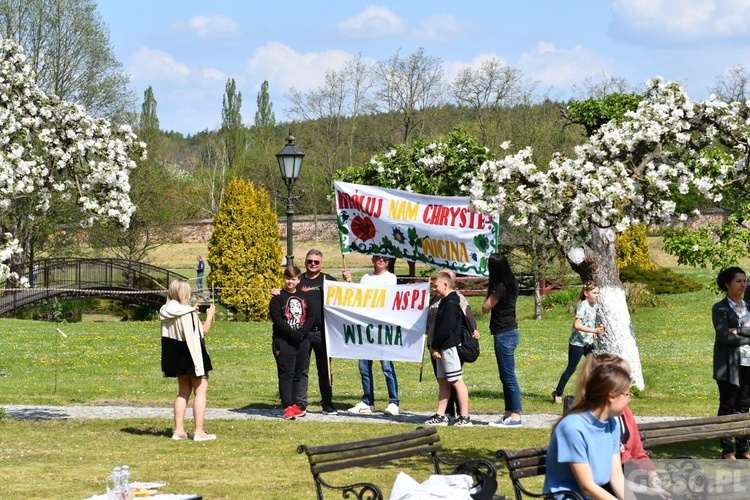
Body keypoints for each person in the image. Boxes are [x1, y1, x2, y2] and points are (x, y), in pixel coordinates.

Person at [575, 353, 671, 499]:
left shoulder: (615, 421)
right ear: (610, 390)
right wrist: (647, 490)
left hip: (623, 483)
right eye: (625, 389)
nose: (629, 393)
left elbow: (635, 457)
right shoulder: (579, 426)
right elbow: (595, 483)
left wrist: (653, 480)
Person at [543, 363, 629, 500]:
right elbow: (587, 487)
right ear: (611, 396)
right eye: (627, 394)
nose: (628, 400)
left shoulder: (612, 423)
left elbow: (616, 476)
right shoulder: (572, 428)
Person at [343, 254, 400, 416]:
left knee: (387, 366)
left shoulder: (391, 278)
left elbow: (385, 297)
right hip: (366, 328)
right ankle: (368, 401)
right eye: (378, 258)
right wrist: (349, 283)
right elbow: (358, 297)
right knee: (364, 366)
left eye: (384, 259)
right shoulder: (366, 278)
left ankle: (393, 402)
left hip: (383, 328)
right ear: (373, 260)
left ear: (388, 262)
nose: (381, 261)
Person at [159, 278, 216, 441]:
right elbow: (201, 332)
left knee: (183, 392)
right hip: (192, 354)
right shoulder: (188, 313)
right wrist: (209, 316)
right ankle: (199, 431)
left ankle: (179, 430)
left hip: (175, 354)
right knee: (200, 391)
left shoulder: (165, 310)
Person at [425, 271, 480, 421]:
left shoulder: (451, 303)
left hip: (449, 347)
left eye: (436, 286)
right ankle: (441, 415)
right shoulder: (443, 301)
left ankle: (464, 417)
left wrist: (434, 346)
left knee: (456, 382)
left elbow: (446, 329)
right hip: (440, 347)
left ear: (445, 284)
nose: (434, 289)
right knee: (443, 382)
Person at [712, 266, 750, 459]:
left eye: (745, 281)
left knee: (744, 406)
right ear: (727, 284)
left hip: (748, 363)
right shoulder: (720, 308)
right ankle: (727, 450)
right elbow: (724, 336)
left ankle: (743, 448)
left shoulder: (749, 306)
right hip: (729, 365)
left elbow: (735, 333)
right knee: (728, 406)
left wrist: (740, 331)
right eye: (739, 281)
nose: (743, 284)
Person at [269, 265, 315, 420]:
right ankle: (287, 405)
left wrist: (301, 332)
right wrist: (292, 333)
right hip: (284, 341)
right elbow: (277, 319)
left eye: (293, 279)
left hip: (302, 341)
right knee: (286, 374)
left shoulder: (305, 296)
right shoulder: (277, 298)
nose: (290, 282)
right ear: (284, 279)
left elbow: (311, 316)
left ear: (298, 280)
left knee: (298, 374)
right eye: (287, 278)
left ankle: (295, 404)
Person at [482, 253, 523, 427]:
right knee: (505, 375)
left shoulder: (498, 288)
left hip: (503, 333)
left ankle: (515, 416)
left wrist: (489, 290)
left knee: (508, 376)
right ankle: (508, 413)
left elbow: (485, 308)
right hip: (511, 330)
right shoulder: (511, 282)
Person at [297, 249, 338, 414]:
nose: (313, 264)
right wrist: (277, 293)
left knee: (325, 370)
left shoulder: (329, 280)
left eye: (316, 262)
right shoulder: (298, 280)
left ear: (322, 264)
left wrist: (348, 283)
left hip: (324, 332)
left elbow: (346, 298)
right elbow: (286, 296)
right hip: (302, 332)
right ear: (305, 262)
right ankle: (300, 404)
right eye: (310, 261)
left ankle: (327, 404)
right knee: (301, 370)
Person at [552, 282, 604, 404]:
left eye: (598, 293)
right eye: (594, 293)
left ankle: (591, 394)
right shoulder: (583, 306)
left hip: (588, 342)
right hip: (577, 344)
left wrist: (594, 333)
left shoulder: (593, 306)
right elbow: (577, 325)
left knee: (597, 365)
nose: (597, 295)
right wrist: (593, 330)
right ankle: (558, 393)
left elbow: (589, 322)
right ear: (586, 293)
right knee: (571, 368)